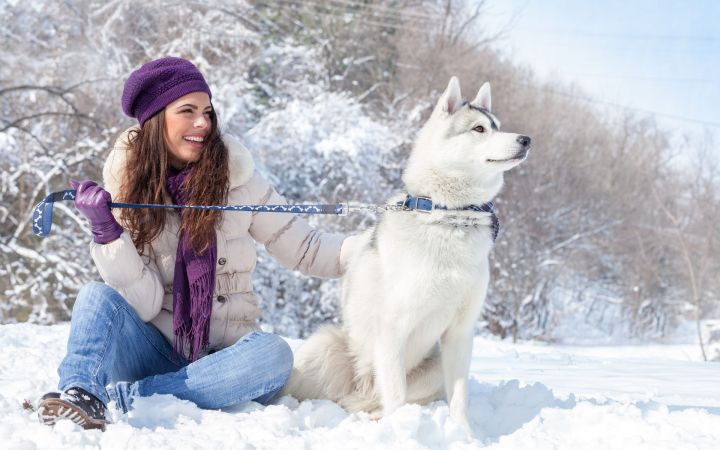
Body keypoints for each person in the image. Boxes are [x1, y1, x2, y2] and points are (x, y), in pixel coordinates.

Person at [37, 57, 352, 430]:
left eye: (207, 111)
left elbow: (306, 247)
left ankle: (130, 397)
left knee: (275, 354)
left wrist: (373, 249)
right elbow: (145, 302)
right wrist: (109, 236)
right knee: (96, 296)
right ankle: (80, 392)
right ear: (156, 120)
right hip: (155, 348)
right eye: (187, 111)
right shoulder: (128, 188)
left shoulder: (238, 179)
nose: (202, 123)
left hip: (226, 359)